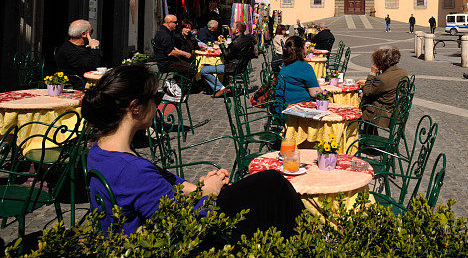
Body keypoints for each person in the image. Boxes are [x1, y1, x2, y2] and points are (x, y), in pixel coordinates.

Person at [82, 65, 303, 238]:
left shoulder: (101, 151)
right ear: (135, 106)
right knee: (272, 187)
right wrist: (211, 191)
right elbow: (182, 222)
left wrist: (200, 187)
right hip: (182, 234)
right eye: (156, 98)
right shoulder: (130, 170)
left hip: (173, 215)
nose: (159, 105)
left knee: (268, 184)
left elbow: (157, 189)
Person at [199, 21, 256, 97]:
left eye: (233, 27)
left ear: (237, 30)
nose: (231, 28)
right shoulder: (247, 39)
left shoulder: (237, 41)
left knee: (204, 70)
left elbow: (226, 55)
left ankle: (220, 88)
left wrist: (221, 43)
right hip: (241, 66)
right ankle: (221, 85)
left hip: (232, 67)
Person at [358, 46, 408, 128]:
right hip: (395, 110)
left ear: (381, 62)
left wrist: (372, 74)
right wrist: (369, 82)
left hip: (382, 114)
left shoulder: (382, 79)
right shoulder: (402, 72)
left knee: (358, 104)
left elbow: (367, 92)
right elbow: (386, 86)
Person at [153, 15, 192, 100]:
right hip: (166, 63)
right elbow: (170, 52)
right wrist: (185, 54)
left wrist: (183, 53)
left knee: (187, 64)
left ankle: (174, 83)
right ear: (168, 23)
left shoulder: (166, 32)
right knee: (191, 69)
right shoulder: (164, 34)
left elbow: (172, 48)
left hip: (168, 60)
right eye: (175, 22)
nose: (177, 24)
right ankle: (173, 83)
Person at [276, 36, 321, 108]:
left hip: (281, 106)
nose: (307, 48)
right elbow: (315, 93)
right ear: (301, 49)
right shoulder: (304, 67)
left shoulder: (285, 65)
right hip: (298, 108)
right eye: (305, 46)